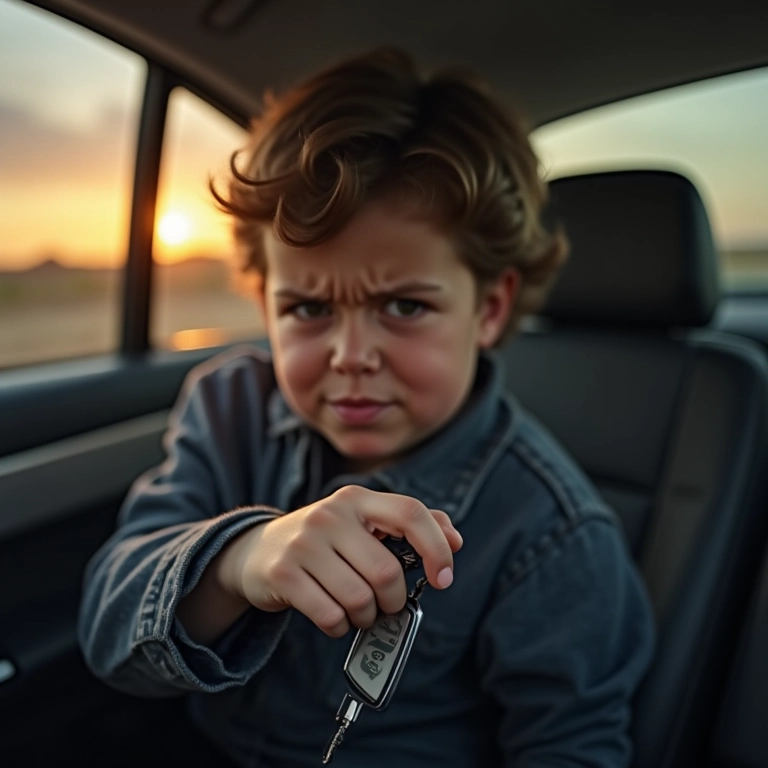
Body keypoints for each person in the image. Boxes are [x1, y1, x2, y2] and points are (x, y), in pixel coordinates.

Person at [78, 48, 655, 767]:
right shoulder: (229, 407)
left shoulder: (550, 534)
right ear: (264, 303)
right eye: (309, 307)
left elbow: (570, 746)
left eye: (405, 305)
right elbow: (108, 632)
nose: (352, 354)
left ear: (490, 307)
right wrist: (237, 561)